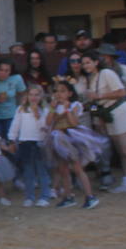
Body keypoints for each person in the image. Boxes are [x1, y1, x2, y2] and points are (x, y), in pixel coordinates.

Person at [76, 52, 126, 195]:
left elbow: (122, 92)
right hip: (108, 114)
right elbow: (94, 104)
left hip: (119, 111)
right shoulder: (92, 79)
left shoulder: (106, 73)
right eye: (84, 63)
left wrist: (99, 96)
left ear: (95, 63)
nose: (85, 66)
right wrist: (89, 109)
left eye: (88, 62)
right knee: (122, 151)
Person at [46, 79, 102, 209]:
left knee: (77, 167)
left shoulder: (75, 105)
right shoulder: (53, 106)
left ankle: (90, 196)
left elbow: (74, 123)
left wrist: (67, 109)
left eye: (62, 91)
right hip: (57, 138)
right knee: (63, 169)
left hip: (70, 138)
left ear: (70, 93)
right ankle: (68, 196)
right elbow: (48, 122)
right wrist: (53, 109)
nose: (59, 94)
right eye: (56, 91)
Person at [8, 84, 54, 207]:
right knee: (28, 171)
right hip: (25, 142)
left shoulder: (44, 110)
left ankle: (45, 196)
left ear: (41, 96)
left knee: (41, 170)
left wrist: (37, 115)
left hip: (39, 142)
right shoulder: (21, 109)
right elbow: (15, 125)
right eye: (31, 95)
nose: (33, 98)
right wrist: (12, 139)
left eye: (37, 95)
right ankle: (29, 196)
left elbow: (44, 127)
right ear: (27, 96)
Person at [0, 58, 26, 140]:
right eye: (1, 70)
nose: (3, 73)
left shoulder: (17, 78)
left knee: (11, 140)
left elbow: (23, 94)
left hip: (11, 114)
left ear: (11, 71)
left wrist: (21, 109)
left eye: (7, 71)